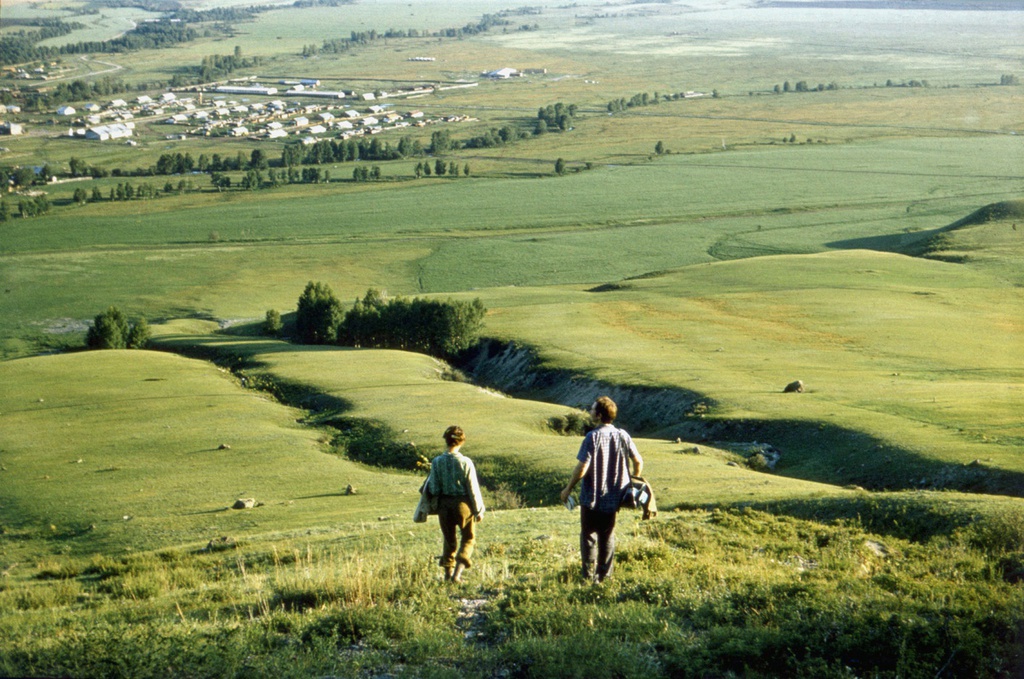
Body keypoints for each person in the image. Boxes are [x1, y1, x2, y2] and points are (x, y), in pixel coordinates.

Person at [560, 396, 643, 584]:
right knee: (607, 536)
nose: (589, 412)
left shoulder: (592, 437)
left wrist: (568, 489)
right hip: (614, 497)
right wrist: (634, 483)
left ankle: (588, 577)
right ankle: (604, 578)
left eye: (592, 409)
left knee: (588, 536)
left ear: (598, 415)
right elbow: (638, 461)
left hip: (591, 497)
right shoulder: (623, 435)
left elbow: (582, 467)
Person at [425, 425, 485, 583]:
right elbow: (473, 488)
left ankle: (447, 575)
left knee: (449, 540)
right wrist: (478, 510)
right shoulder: (466, 462)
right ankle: (457, 575)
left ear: (446, 441)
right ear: (462, 441)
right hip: (463, 505)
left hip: (444, 505)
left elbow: (433, 487)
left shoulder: (437, 462)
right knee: (468, 538)